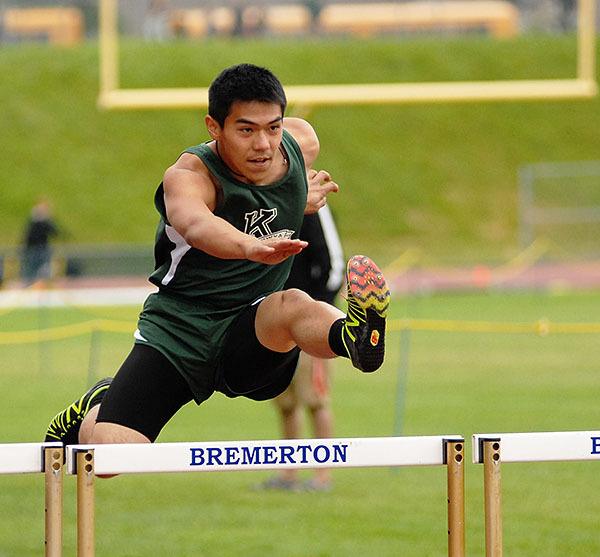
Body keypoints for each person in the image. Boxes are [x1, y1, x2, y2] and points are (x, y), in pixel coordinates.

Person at [44, 63, 389, 452]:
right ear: (214, 127)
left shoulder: (301, 143)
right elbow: (195, 224)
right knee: (110, 455)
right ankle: (96, 406)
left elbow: (277, 179)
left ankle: (354, 337)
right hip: (181, 329)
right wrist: (249, 246)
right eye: (245, 130)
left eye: (272, 127)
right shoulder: (189, 175)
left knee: (291, 303)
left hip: (252, 331)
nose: (262, 144)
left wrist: (297, 196)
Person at [260, 205, 344, 492]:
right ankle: (289, 472)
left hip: (309, 327)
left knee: (316, 400)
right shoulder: (265, 202)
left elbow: (334, 264)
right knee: (284, 403)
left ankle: (322, 475)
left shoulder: (313, 204)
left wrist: (319, 322)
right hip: (274, 325)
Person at [21, 198, 59, 286]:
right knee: (31, 271)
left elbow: (55, 233)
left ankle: (43, 285)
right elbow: (29, 236)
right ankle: (30, 285)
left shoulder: (45, 222)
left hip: (42, 250)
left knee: (44, 270)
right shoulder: (34, 222)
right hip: (32, 250)